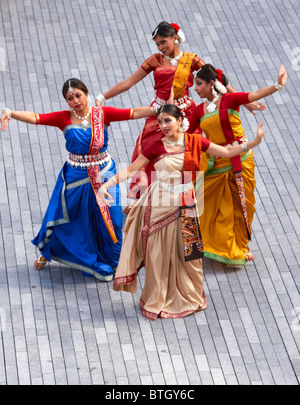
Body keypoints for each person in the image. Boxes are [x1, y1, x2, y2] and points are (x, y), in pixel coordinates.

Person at [99, 104, 267, 320]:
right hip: (160, 204)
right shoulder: (155, 146)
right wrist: (105, 186)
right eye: (160, 121)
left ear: (180, 120)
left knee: (191, 254)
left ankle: (190, 295)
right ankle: (158, 296)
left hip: (187, 202)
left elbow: (225, 152)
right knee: (158, 253)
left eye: (167, 120)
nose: (163, 125)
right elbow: (132, 169)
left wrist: (253, 143)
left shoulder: (195, 142)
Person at [0, 78, 155, 281]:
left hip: (106, 173)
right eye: (70, 98)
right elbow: (37, 118)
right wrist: (11, 113)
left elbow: (132, 113)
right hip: (76, 175)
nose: (75, 100)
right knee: (67, 215)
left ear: (87, 93)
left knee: (115, 220)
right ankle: (48, 252)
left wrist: (158, 111)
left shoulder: (102, 114)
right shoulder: (63, 118)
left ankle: (115, 263)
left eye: (78, 95)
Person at [95, 21, 264, 202]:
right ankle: (147, 198)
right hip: (160, 111)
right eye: (157, 44)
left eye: (163, 42)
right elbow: (129, 82)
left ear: (175, 37)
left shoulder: (190, 60)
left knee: (191, 151)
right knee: (150, 151)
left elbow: (215, 78)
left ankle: (189, 195)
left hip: (186, 112)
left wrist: (246, 102)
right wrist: (102, 97)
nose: (160, 47)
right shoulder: (155, 60)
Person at [187, 64, 287, 265]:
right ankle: (212, 242)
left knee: (242, 206)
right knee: (207, 205)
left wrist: (277, 85)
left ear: (211, 84)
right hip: (216, 163)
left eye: (199, 84)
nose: (195, 89)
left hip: (240, 160)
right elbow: (187, 134)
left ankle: (240, 245)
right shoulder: (198, 111)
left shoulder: (230, 100)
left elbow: (254, 94)